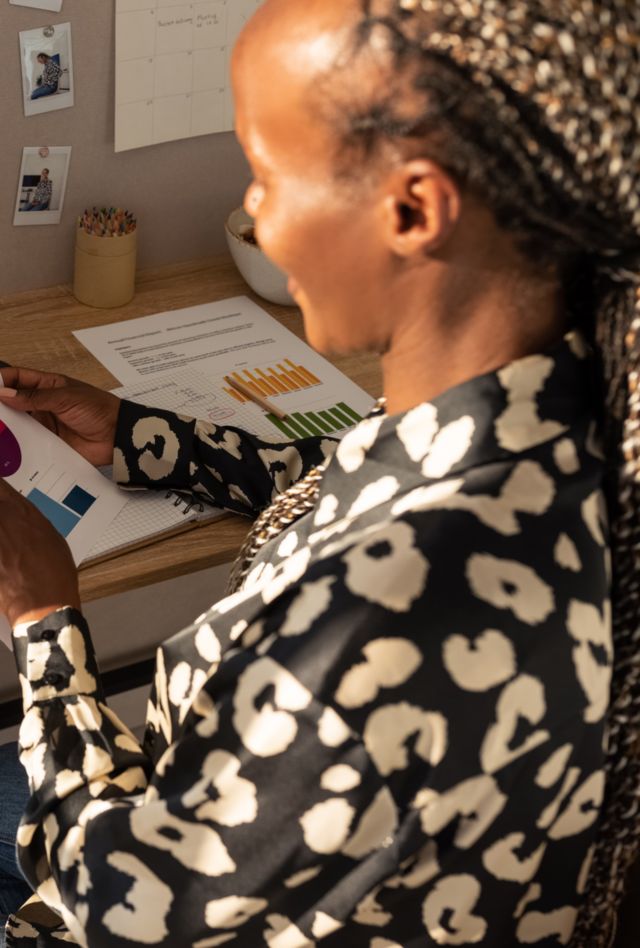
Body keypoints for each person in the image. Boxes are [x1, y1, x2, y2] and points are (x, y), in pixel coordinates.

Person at [0, 0, 638, 944]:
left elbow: (121, 906)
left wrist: (44, 621)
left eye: (265, 175)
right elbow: (351, 472)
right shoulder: (567, 405)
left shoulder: (385, 620)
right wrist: (140, 437)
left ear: (414, 208)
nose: (254, 213)